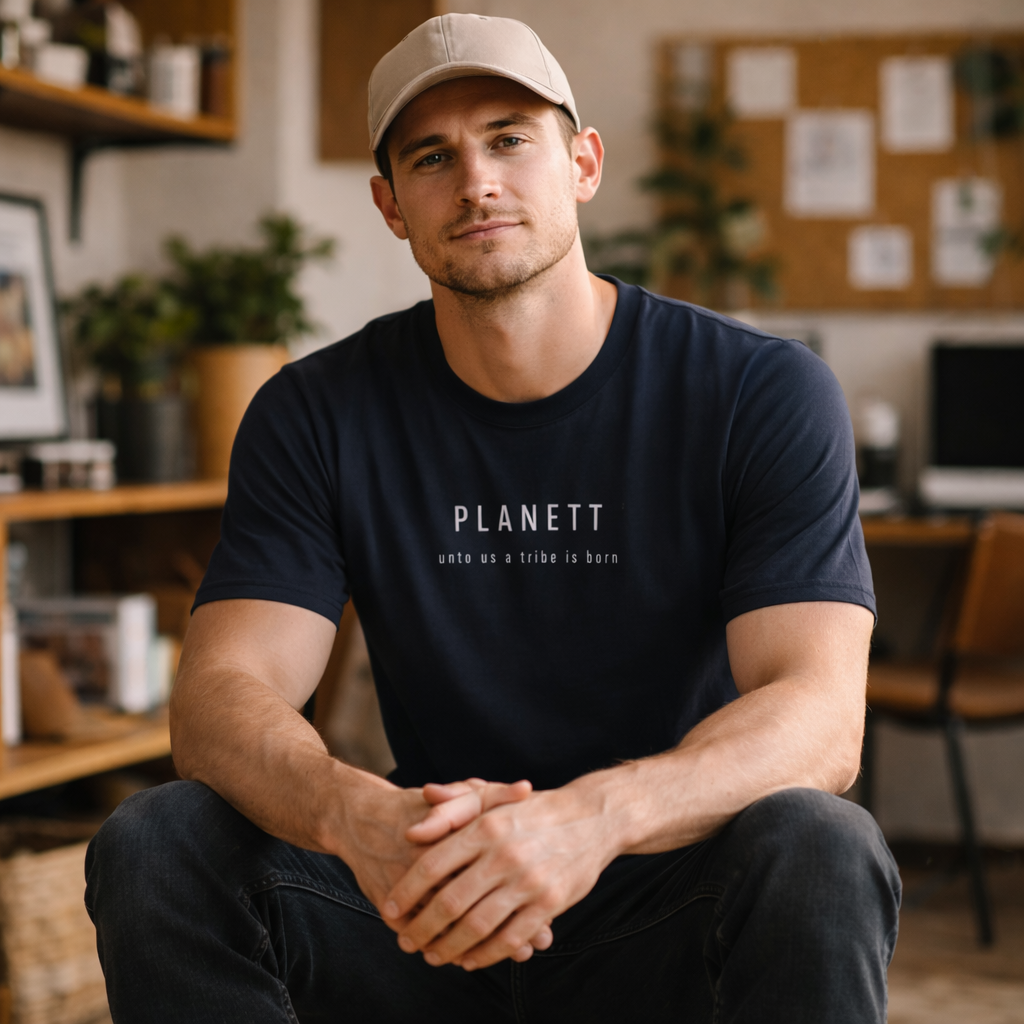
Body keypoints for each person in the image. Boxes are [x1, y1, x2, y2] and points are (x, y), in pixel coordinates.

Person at [86, 13, 900, 1023]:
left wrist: (587, 820)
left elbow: (820, 716)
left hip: (663, 891)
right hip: (418, 894)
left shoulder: (760, 392)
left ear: (583, 162)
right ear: (389, 205)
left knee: (823, 846)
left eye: (509, 137)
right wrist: (359, 817)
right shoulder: (316, 411)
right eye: (432, 157)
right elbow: (218, 695)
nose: (476, 181)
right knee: (158, 841)